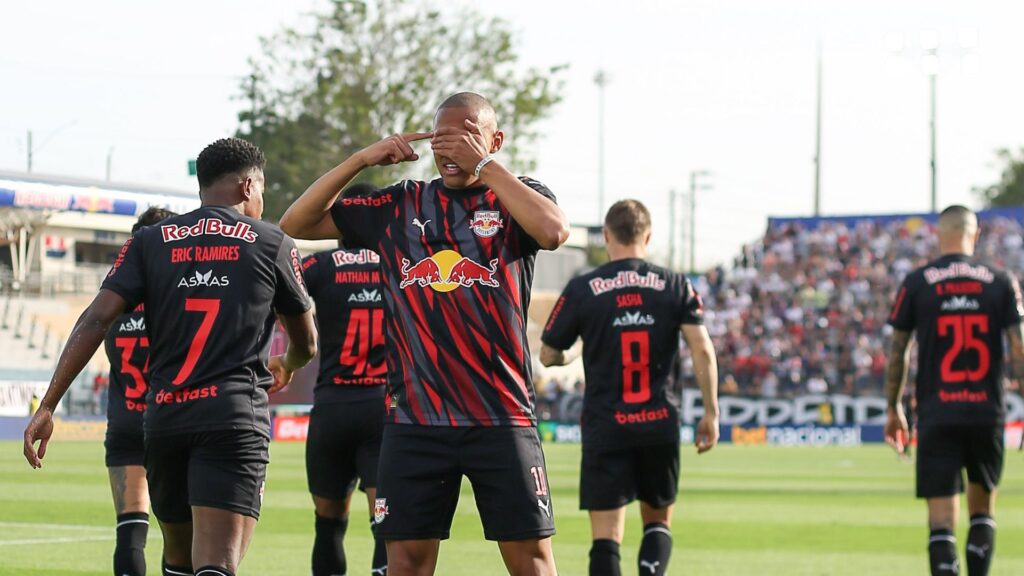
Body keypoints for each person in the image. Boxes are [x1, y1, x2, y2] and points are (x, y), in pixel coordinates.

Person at [279, 92, 569, 576]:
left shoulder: (518, 193)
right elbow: (295, 222)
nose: (450, 147)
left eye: (466, 134)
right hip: (416, 420)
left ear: (494, 140)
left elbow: (553, 231)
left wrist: (488, 166)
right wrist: (362, 160)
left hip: (501, 415)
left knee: (532, 563)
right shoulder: (401, 203)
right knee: (406, 563)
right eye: (441, 137)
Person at [23, 137, 318, 576]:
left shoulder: (150, 241)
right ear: (247, 186)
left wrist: (48, 404)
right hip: (231, 418)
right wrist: (287, 364)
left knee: (177, 561)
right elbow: (307, 341)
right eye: (262, 189)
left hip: (163, 421)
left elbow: (95, 319)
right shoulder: (271, 241)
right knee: (216, 565)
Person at [539, 199, 720, 576]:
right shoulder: (674, 285)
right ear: (648, 236)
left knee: (605, 540)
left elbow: (548, 354)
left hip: (606, 426)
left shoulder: (584, 288)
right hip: (658, 423)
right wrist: (711, 413)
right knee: (657, 523)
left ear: (606, 236)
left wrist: (573, 355)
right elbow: (702, 349)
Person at [885, 205, 1024, 576]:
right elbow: (1019, 348)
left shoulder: (917, 282)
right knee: (982, 512)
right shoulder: (1000, 281)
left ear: (938, 235)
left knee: (941, 522)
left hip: (937, 413)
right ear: (974, 235)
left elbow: (898, 350)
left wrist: (893, 408)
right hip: (986, 413)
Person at [301, 218, 389, 576]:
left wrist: (290, 355)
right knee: (386, 523)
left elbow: (275, 291)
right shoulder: (399, 265)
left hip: (332, 405)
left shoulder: (319, 265)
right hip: (385, 407)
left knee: (328, 524)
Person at [102, 206, 178, 576]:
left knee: (130, 532)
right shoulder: (177, 299)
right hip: (170, 420)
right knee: (179, 537)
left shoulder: (113, 301)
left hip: (125, 423)